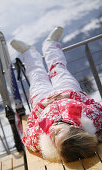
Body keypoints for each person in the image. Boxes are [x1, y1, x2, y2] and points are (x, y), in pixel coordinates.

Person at [10, 26, 102, 162]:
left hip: (41, 98)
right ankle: (51, 44)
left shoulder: (40, 138)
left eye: (53, 140)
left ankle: (28, 52)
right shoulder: (90, 119)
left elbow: (27, 132)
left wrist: (42, 105)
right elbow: (93, 104)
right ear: (75, 127)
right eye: (58, 132)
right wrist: (71, 96)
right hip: (68, 89)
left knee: (36, 74)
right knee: (58, 66)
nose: (51, 133)